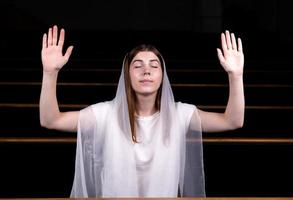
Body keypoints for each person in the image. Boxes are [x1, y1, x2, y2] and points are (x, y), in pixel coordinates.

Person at [40, 25, 244, 197]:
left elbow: (232, 121)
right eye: (137, 65)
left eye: (154, 66)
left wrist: (236, 76)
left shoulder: (181, 114)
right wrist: (50, 73)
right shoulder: (104, 114)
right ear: (127, 76)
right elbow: (51, 120)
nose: (146, 70)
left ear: (162, 76)